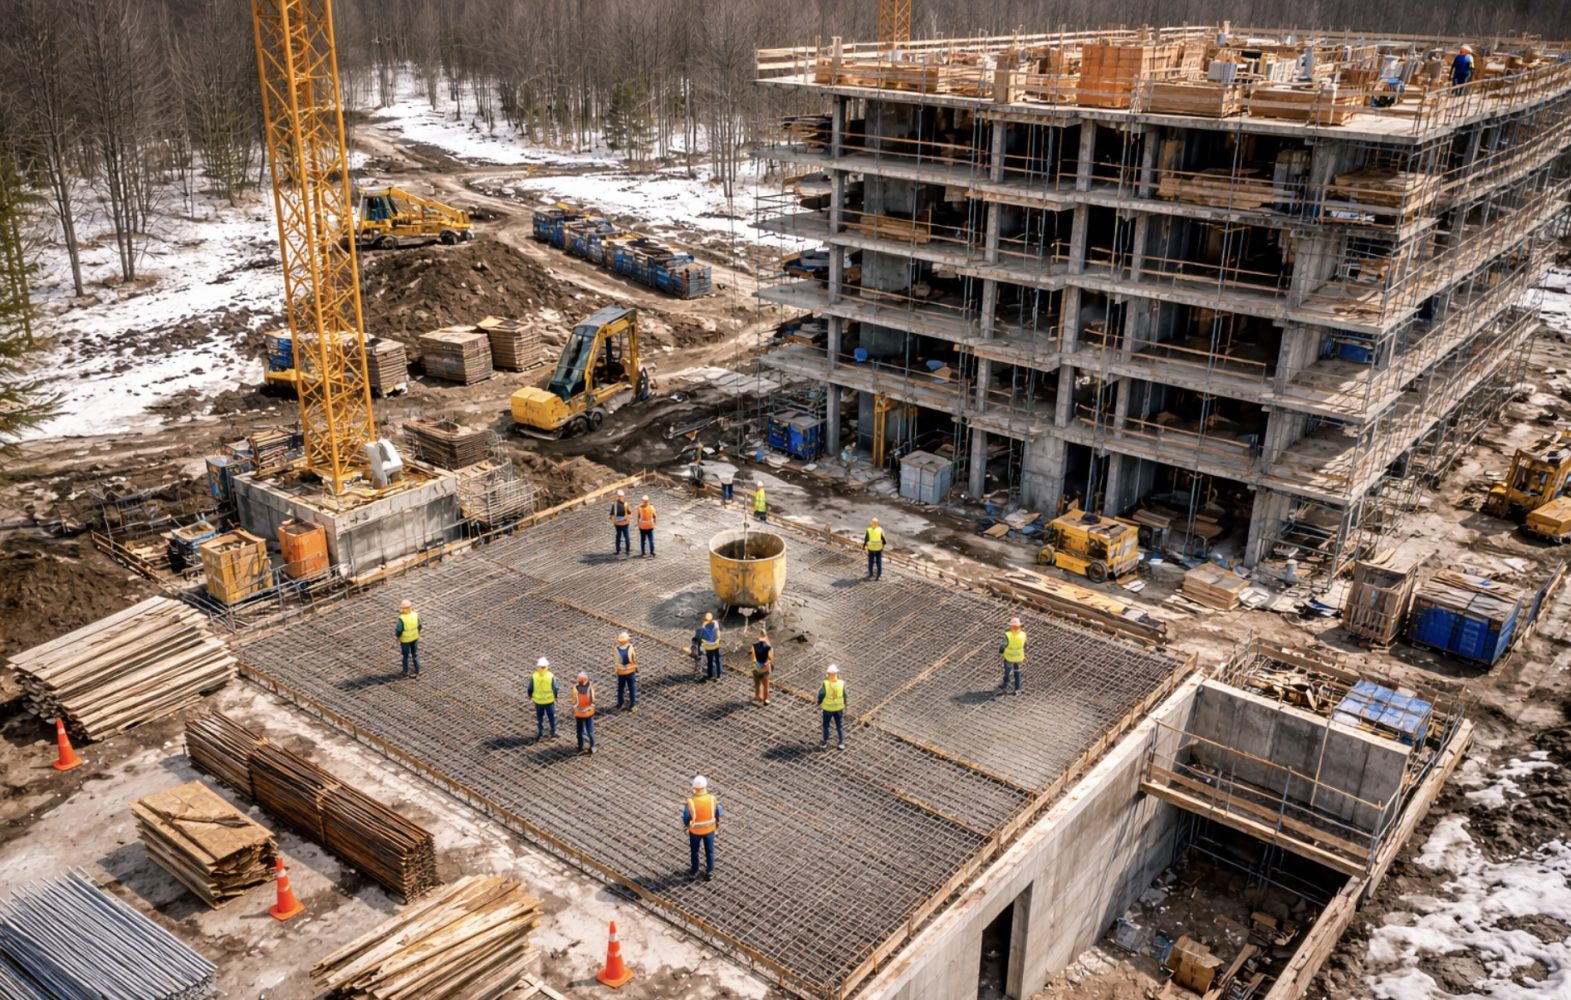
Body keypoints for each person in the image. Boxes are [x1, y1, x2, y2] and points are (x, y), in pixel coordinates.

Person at [684, 775, 722, 880]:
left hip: (695, 831)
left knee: (695, 851)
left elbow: (686, 817)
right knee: (710, 851)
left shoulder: (691, 801)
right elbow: (718, 812)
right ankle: (710, 871)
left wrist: (687, 825)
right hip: (710, 830)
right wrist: (716, 821)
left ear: (694, 788)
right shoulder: (712, 799)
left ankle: (694, 871)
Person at [528, 656, 558, 740]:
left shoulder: (534, 676)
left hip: (538, 701)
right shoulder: (550, 675)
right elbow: (555, 688)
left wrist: (530, 696)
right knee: (551, 717)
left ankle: (540, 733)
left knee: (540, 718)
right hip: (549, 701)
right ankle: (553, 732)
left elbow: (530, 688)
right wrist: (555, 696)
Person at [818, 664, 846, 750]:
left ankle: (824, 743)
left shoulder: (825, 684)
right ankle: (841, 743)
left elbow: (821, 694)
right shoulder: (841, 683)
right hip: (839, 708)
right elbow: (845, 694)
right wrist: (845, 703)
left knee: (826, 726)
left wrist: (819, 702)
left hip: (828, 709)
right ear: (836, 673)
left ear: (828, 673)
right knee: (839, 726)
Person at [999, 617, 1027, 696]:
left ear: (1011, 626)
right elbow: (1025, 646)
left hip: (1009, 657)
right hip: (1018, 657)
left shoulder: (1008, 635)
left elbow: (1003, 645)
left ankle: (1005, 684)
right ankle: (1017, 689)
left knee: (1007, 672)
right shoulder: (1023, 634)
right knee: (1017, 673)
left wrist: (1001, 652)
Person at [572, 671, 597, 755]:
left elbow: (574, 701)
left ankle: (580, 746)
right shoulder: (590, 688)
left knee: (579, 731)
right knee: (590, 731)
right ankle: (593, 746)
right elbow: (593, 700)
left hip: (579, 713)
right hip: (588, 713)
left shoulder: (575, 689)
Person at [396, 599, 421, 677]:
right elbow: (420, 626)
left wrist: (398, 636)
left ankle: (405, 671)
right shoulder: (415, 615)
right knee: (415, 655)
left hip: (405, 640)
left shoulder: (402, 618)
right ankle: (417, 671)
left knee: (405, 656)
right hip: (415, 638)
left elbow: (399, 630)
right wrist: (417, 633)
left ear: (403, 609)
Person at [614, 631, 638, 712]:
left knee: (620, 688)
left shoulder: (616, 649)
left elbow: (616, 661)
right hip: (631, 672)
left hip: (621, 673)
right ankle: (632, 705)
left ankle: (620, 703)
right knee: (632, 688)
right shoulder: (631, 648)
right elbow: (633, 658)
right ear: (627, 640)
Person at [698, 612, 722, 682]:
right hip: (716, 644)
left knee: (711, 660)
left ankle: (711, 675)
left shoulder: (705, 628)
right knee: (717, 659)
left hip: (709, 646)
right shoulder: (716, 624)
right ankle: (718, 673)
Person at [751, 630, 773, 705]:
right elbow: (770, 658)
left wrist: (755, 663)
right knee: (765, 685)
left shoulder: (754, 646)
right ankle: (765, 699)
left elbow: (753, 656)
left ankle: (757, 696)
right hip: (764, 668)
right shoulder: (768, 647)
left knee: (757, 683)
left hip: (756, 667)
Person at [609, 490, 632, 557]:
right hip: (625, 523)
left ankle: (618, 551)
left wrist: (613, 521)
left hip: (617, 523)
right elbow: (629, 512)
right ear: (623, 496)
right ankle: (627, 550)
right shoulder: (626, 504)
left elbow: (612, 514)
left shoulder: (614, 504)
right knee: (626, 537)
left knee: (618, 537)